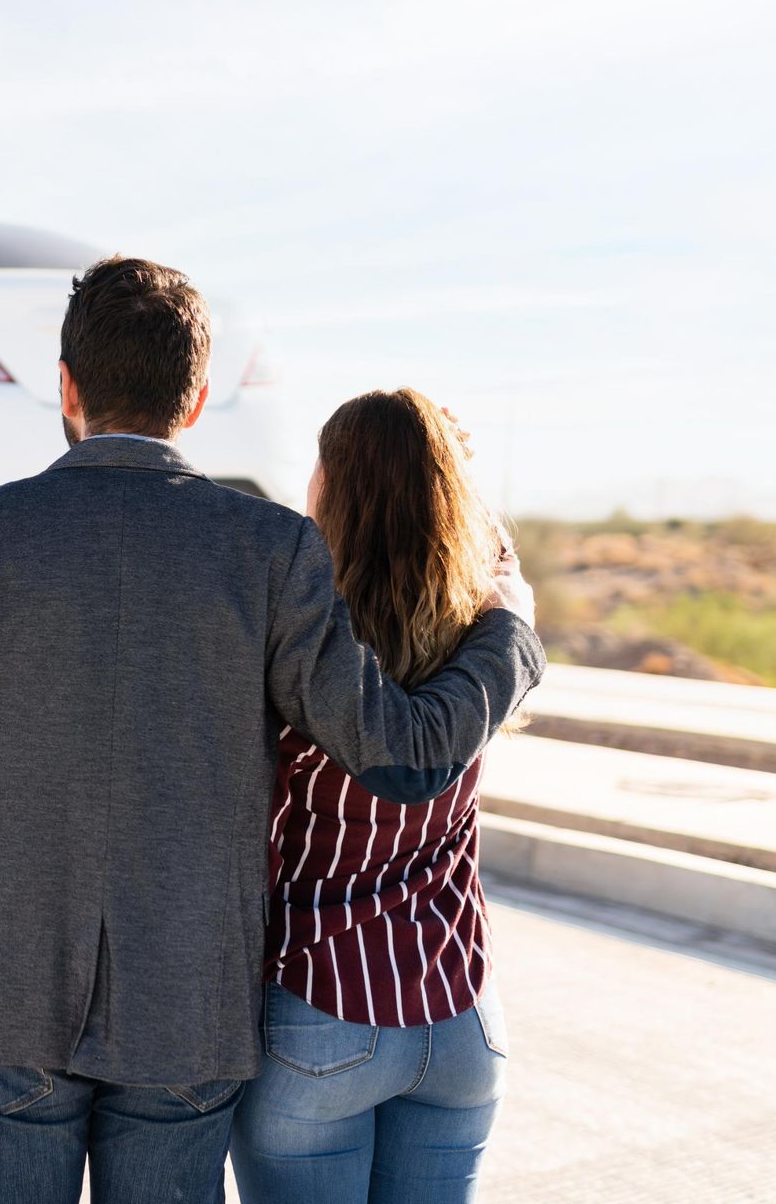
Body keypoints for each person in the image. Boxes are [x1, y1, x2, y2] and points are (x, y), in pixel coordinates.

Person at [0, 255, 545, 1203]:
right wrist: (509, 630)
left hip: (4, 1002)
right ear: (197, 400)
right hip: (187, 1013)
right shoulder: (273, 549)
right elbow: (401, 754)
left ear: (66, 388)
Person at [229, 389, 519, 1203]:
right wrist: (454, 474)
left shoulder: (303, 650)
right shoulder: (480, 645)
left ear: (331, 488)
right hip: (459, 1016)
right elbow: (501, 569)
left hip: (321, 1015)